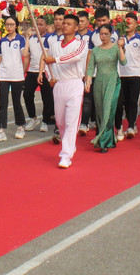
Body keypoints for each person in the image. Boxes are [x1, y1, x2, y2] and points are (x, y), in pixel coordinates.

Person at [43, 13, 89, 168]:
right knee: (60, 121)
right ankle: (69, 145)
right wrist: (50, 77)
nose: (64, 26)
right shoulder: (55, 45)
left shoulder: (81, 43)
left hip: (75, 84)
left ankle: (66, 155)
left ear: (76, 28)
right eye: (64, 23)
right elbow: (48, 64)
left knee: (71, 121)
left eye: (68, 24)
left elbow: (75, 57)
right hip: (60, 85)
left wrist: (55, 60)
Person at [85, 24, 127, 152]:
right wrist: (88, 80)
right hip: (99, 81)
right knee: (100, 110)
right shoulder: (96, 50)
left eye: (106, 34)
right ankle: (107, 138)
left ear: (111, 34)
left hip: (113, 81)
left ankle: (105, 142)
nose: (103, 36)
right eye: (101, 34)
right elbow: (91, 67)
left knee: (108, 109)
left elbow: (123, 62)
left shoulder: (115, 48)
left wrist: (120, 47)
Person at [0, 16, 29, 142]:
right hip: (4, 75)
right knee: (3, 104)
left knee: (16, 102)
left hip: (17, 76)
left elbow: (24, 54)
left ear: (16, 26)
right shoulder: (2, 41)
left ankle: (20, 127)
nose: (9, 27)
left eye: (12, 24)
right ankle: (1, 130)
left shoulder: (20, 39)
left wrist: (27, 38)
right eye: (7, 24)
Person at [115, 12, 140, 140]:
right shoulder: (120, 39)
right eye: (126, 22)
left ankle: (131, 125)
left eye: (131, 22)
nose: (128, 25)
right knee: (122, 102)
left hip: (135, 74)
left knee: (133, 101)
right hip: (121, 74)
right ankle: (122, 126)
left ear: (136, 24)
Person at [23, 16, 53, 133]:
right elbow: (27, 56)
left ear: (46, 26)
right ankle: (33, 117)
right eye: (37, 24)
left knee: (47, 98)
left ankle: (45, 121)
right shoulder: (31, 39)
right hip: (32, 71)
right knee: (27, 94)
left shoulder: (50, 38)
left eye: (41, 24)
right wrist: (23, 72)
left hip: (45, 72)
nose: (38, 27)